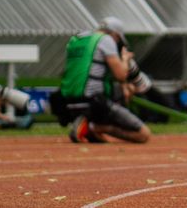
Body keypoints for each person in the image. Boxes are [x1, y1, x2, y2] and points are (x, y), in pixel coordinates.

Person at [64, 17, 151, 145]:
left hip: (69, 102)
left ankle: (89, 127)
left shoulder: (77, 39)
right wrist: (126, 59)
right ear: (115, 35)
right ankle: (92, 127)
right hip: (95, 103)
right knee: (143, 134)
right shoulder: (106, 40)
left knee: (101, 139)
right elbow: (121, 76)